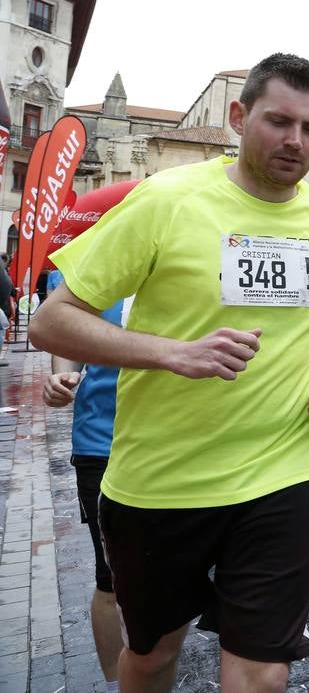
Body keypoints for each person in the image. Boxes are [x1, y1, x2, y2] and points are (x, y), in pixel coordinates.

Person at [31, 52, 309, 693]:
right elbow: (52, 321)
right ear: (239, 118)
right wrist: (171, 352)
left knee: (263, 673)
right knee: (153, 658)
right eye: (279, 121)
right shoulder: (166, 200)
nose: (296, 141)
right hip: (163, 481)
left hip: (284, 473)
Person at [41, 292, 129, 688]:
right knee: (109, 575)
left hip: (180, 446)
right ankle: (113, 683)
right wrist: (62, 375)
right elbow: (65, 336)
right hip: (102, 443)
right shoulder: (100, 264)